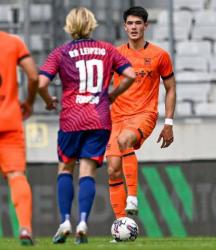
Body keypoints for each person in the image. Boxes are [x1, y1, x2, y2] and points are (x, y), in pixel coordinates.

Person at [38, 7, 135, 244]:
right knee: (88, 172)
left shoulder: (60, 53)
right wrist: (112, 95)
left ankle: (64, 222)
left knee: (65, 169)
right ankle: (82, 221)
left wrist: (49, 99)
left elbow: (41, 82)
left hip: (72, 118)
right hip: (99, 118)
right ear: (92, 25)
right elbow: (131, 75)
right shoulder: (106, 49)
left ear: (69, 27)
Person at [106, 6, 176, 220]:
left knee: (126, 139)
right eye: (130, 23)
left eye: (138, 23)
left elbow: (171, 88)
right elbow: (102, 88)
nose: (134, 27)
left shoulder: (160, 55)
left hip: (143, 114)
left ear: (146, 26)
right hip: (116, 117)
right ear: (124, 27)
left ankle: (133, 197)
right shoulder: (116, 55)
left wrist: (169, 123)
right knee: (112, 169)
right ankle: (121, 225)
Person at [0, 31, 38, 245]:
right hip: (9, 120)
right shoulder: (13, 42)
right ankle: (25, 228)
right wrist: (30, 102)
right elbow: (33, 76)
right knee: (16, 176)